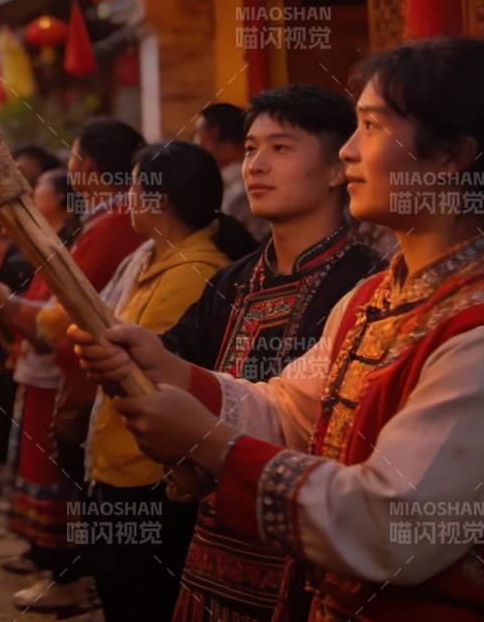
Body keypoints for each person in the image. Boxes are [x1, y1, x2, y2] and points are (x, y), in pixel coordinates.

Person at [69, 37, 484, 621]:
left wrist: (209, 441)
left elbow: (393, 527)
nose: (347, 152)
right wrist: (169, 371)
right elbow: (290, 412)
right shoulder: (374, 297)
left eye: (369, 127)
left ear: (450, 157)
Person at [155, 84, 385, 622]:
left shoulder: (364, 284)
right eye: (252, 149)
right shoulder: (234, 281)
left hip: (303, 551)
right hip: (213, 540)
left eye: (280, 148)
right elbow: (175, 360)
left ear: (338, 168)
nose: (256, 165)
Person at [40, 141, 255, 620]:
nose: (127, 198)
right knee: (122, 591)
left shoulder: (194, 271)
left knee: (143, 598)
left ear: (161, 198)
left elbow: (150, 371)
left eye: (135, 187)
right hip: (117, 460)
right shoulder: (146, 258)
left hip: (151, 474)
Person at [0, 116, 145, 613]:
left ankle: (72, 577)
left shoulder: (111, 226)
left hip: (79, 373)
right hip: (60, 368)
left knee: (65, 479)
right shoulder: (99, 222)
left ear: (86, 165)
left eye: (72, 157)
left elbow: (68, 310)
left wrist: (9, 305)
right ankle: (64, 571)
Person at [195, 101, 269, 244]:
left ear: (212, 133)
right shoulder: (221, 182)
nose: (196, 142)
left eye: (198, 133)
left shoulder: (242, 188)